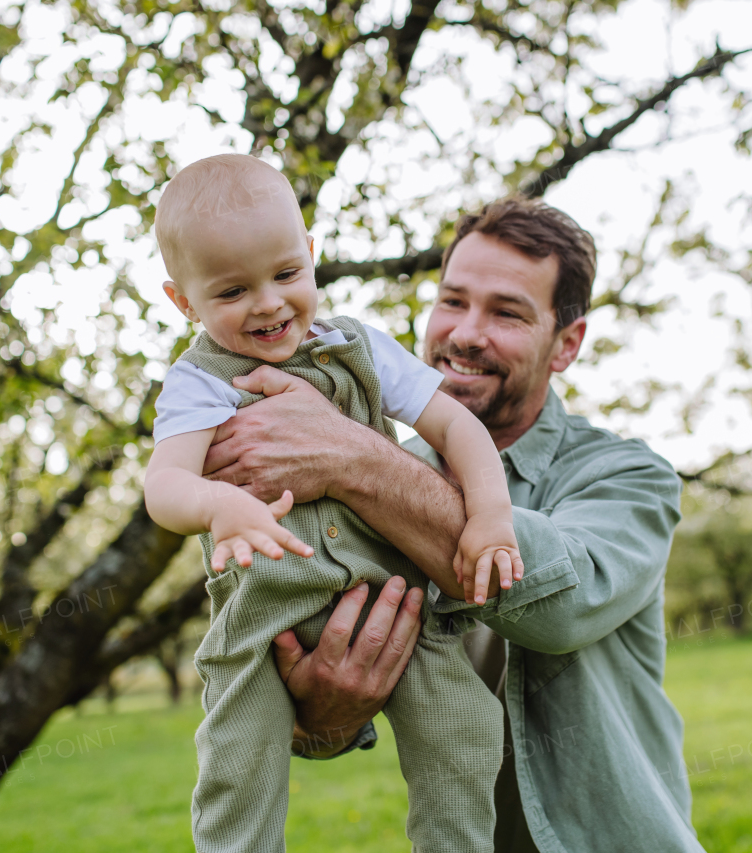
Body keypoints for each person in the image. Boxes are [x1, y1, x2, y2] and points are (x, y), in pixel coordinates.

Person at [201, 196, 706, 852]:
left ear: (567, 343)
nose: (466, 333)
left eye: (507, 312)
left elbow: (561, 607)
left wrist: (353, 456)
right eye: (453, 301)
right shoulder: (367, 473)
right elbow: (303, 658)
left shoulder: (628, 476)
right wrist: (324, 719)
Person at [143, 154, 525, 853]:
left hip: (395, 595)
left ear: (311, 255)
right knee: (239, 767)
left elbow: (455, 426)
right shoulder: (198, 382)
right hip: (265, 617)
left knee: (464, 731)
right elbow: (162, 486)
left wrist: (492, 515)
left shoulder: (360, 347)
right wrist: (213, 505)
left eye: (287, 274)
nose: (267, 303)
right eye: (231, 291)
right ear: (182, 301)